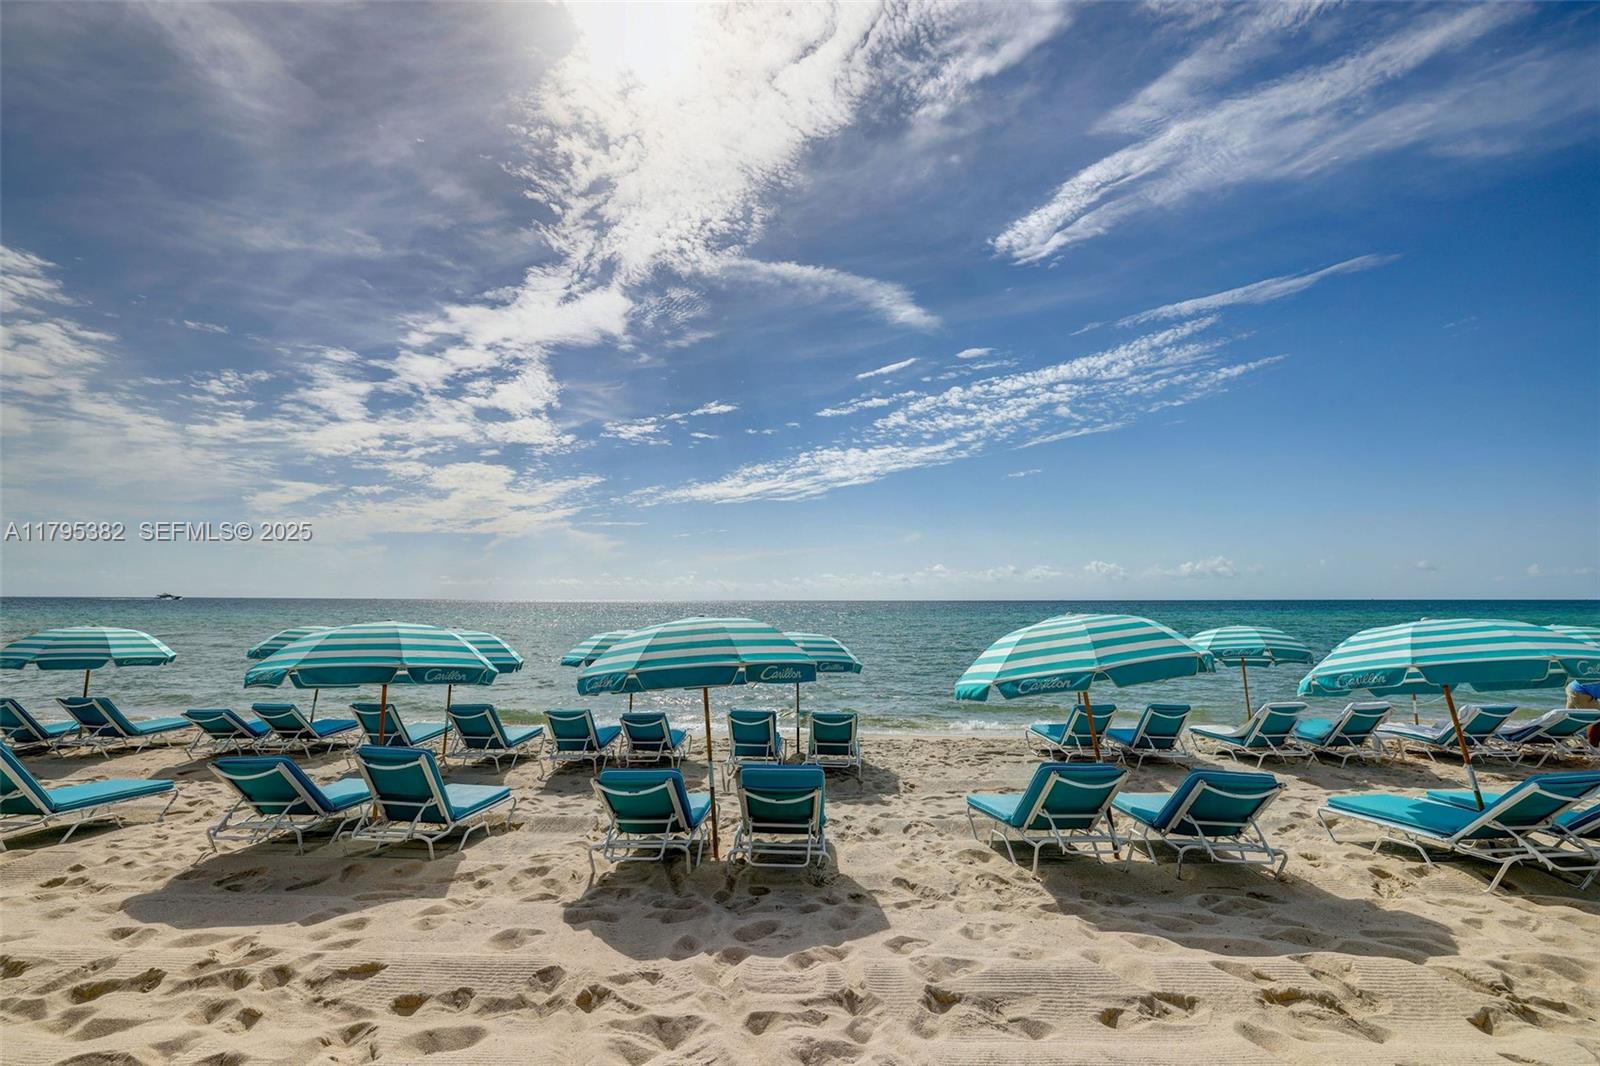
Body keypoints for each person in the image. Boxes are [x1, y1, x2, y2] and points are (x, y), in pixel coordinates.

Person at [1568, 680, 1600, 747]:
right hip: (1581, 693)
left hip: (1572, 687)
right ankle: (1592, 746)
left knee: (1569, 717)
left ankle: (1570, 738)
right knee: (1596, 719)